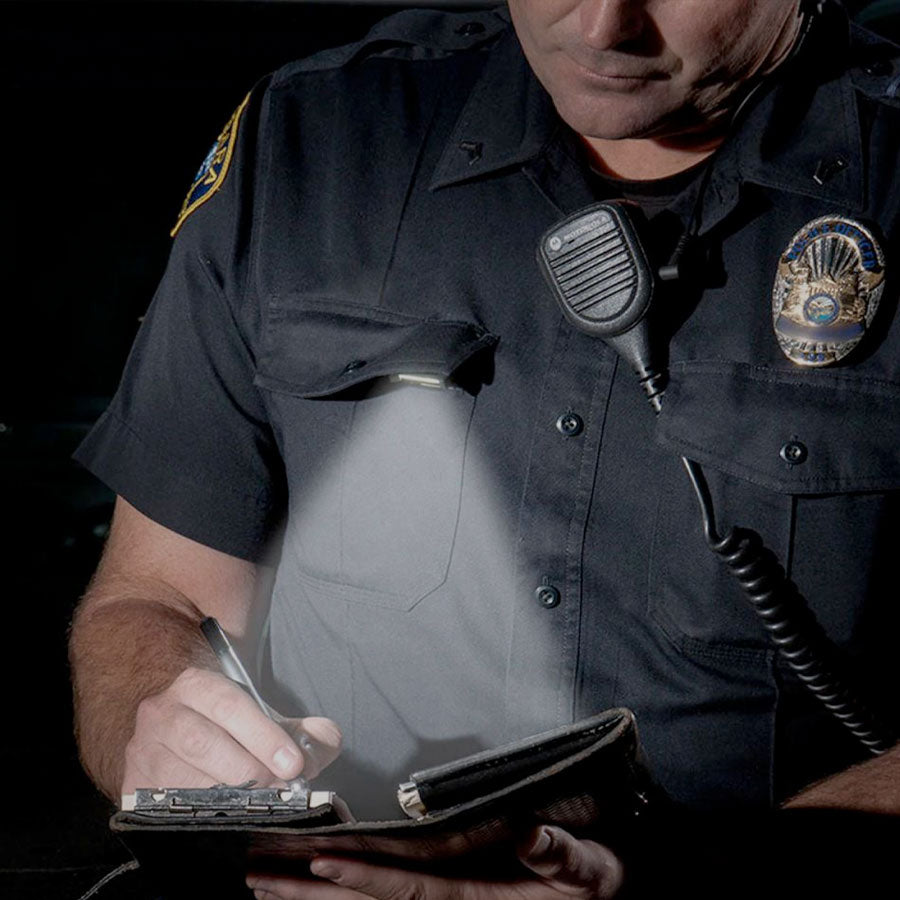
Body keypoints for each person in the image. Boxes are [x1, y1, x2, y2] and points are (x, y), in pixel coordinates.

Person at [69, 1, 900, 897]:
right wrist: (160, 723)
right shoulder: (312, 138)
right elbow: (151, 598)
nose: (603, 26)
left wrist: (686, 881)